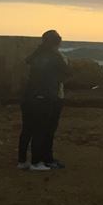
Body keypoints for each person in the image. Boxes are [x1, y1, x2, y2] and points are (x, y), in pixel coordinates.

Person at [17, 30, 70, 171]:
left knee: (27, 129)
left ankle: (22, 161)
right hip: (45, 97)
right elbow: (66, 73)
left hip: (28, 96)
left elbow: (28, 63)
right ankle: (37, 162)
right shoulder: (55, 56)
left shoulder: (36, 55)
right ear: (57, 43)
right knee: (42, 129)